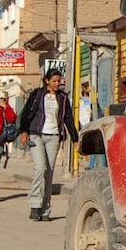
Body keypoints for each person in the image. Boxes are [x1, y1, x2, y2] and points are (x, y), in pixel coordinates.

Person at [18, 68, 78, 221]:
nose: (57, 84)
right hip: (36, 135)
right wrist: (24, 131)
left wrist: (75, 138)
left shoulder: (63, 98)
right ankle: (35, 204)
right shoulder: (37, 95)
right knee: (40, 167)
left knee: (49, 173)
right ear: (47, 81)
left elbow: (68, 119)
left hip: (54, 137)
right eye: (54, 81)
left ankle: (45, 210)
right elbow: (25, 113)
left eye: (59, 81)